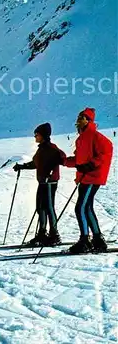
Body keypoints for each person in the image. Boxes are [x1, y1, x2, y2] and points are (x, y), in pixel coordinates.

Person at [63, 108, 113, 253]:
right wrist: (63, 161)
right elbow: (78, 160)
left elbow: (107, 151)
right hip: (84, 177)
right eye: (79, 116)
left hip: (92, 177)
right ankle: (97, 240)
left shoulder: (95, 136)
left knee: (81, 208)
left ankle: (85, 240)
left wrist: (91, 165)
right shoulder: (81, 139)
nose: (79, 118)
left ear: (88, 120)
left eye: (82, 116)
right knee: (86, 207)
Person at [13, 123, 66, 247]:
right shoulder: (42, 148)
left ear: (42, 135)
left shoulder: (51, 148)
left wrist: (52, 170)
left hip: (49, 182)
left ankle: (54, 235)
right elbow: (37, 163)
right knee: (40, 207)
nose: (35, 137)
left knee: (49, 207)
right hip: (43, 182)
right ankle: (42, 234)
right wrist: (23, 166)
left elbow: (61, 158)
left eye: (36, 134)